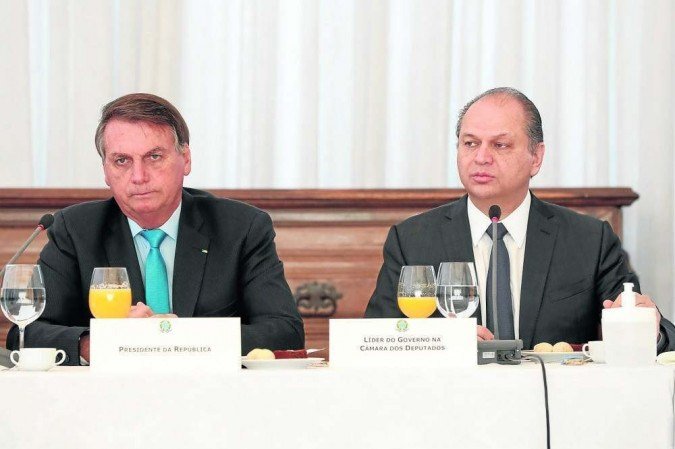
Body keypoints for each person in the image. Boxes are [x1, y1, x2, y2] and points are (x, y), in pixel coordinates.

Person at [365, 87, 675, 352]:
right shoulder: (413, 240)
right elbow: (375, 340)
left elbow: (656, 336)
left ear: (536, 157)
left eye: (500, 145)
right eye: (470, 143)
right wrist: (442, 343)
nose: (481, 157)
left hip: (555, 401)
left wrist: (651, 331)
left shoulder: (590, 240)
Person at [7, 93, 305, 364]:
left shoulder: (241, 227)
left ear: (185, 159)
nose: (139, 176)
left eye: (154, 157)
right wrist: (99, 344)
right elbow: (25, 332)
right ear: (106, 171)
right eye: (122, 160)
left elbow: (284, 331)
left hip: (211, 395)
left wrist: (175, 337)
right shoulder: (75, 230)